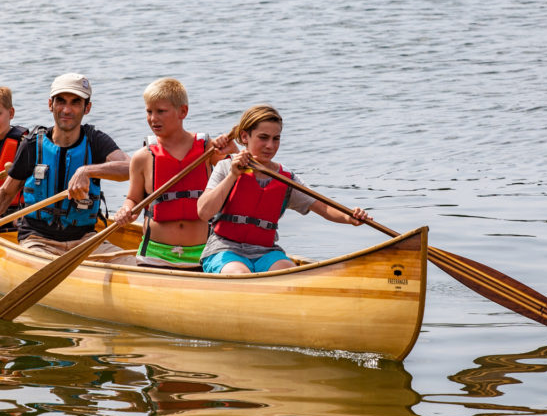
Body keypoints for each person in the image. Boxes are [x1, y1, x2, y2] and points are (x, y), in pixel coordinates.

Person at [0, 73, 132, 261]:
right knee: (41, 263)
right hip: (38, 242)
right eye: (61, 101)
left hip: (86, 240)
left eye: (75, 102)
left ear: (87, 108)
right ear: (50, 104)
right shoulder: (33, 144)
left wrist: (87, 170)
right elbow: (4, 194)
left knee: (133, 264)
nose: (67, 109)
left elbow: (129, 168)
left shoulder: (95, 140)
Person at [196, 104, 370, 274]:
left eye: (276, 138)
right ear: (244, 136)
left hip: (265, 251)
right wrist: (233, 175)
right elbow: (204, 212)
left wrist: (349, 217)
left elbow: (323, 207)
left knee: (288, 272)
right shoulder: (226, 167)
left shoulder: (287, 178)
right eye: (263, 137)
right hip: (224, 249)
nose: (270, 146)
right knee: (240, 274)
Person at [113, 78, 235, 270]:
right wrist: (125, 210)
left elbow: (240, 177)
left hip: (204, 253)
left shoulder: (208, 149)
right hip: (154, 255)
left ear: (183, 112)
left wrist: (233, 151)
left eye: (161, 111)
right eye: (149, 111)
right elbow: (133, 199)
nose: (153, 118)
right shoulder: (142, 157)